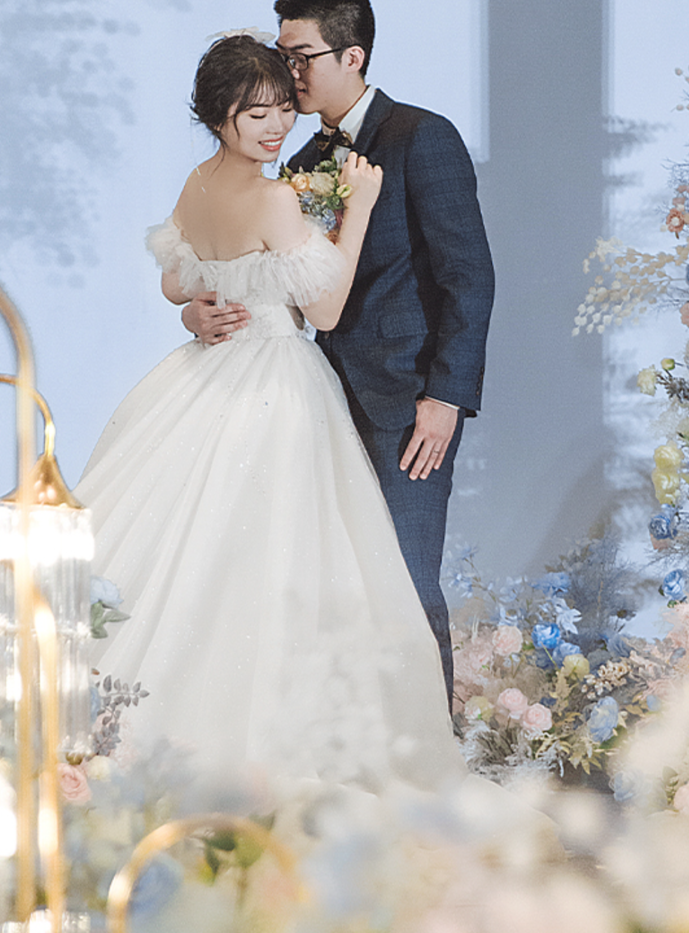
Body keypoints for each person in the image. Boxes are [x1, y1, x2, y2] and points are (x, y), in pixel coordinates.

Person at [76, 35, 462, 789]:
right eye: (257, 115)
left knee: (204, 553)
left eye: (284, 109)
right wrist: (357, 210)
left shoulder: (198, 183)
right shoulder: (275, 196)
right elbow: (326, 307)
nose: (278, 127)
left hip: (204, 377)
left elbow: (176, 281)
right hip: (276, 380)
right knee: (273, 558)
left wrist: (200, 308)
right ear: (219, 115)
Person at [182, 0, 494, 708]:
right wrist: (198, 308)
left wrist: (445, 397)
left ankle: (431, 753)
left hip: (404, 404)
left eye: (300, 56)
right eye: (283, 55)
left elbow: (469, 276)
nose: (287, 72)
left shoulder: (421, 137)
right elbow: (286, 284)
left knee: (405, 585)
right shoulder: (298, 161)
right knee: (332, 585)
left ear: (352, 56)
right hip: (316, 399)